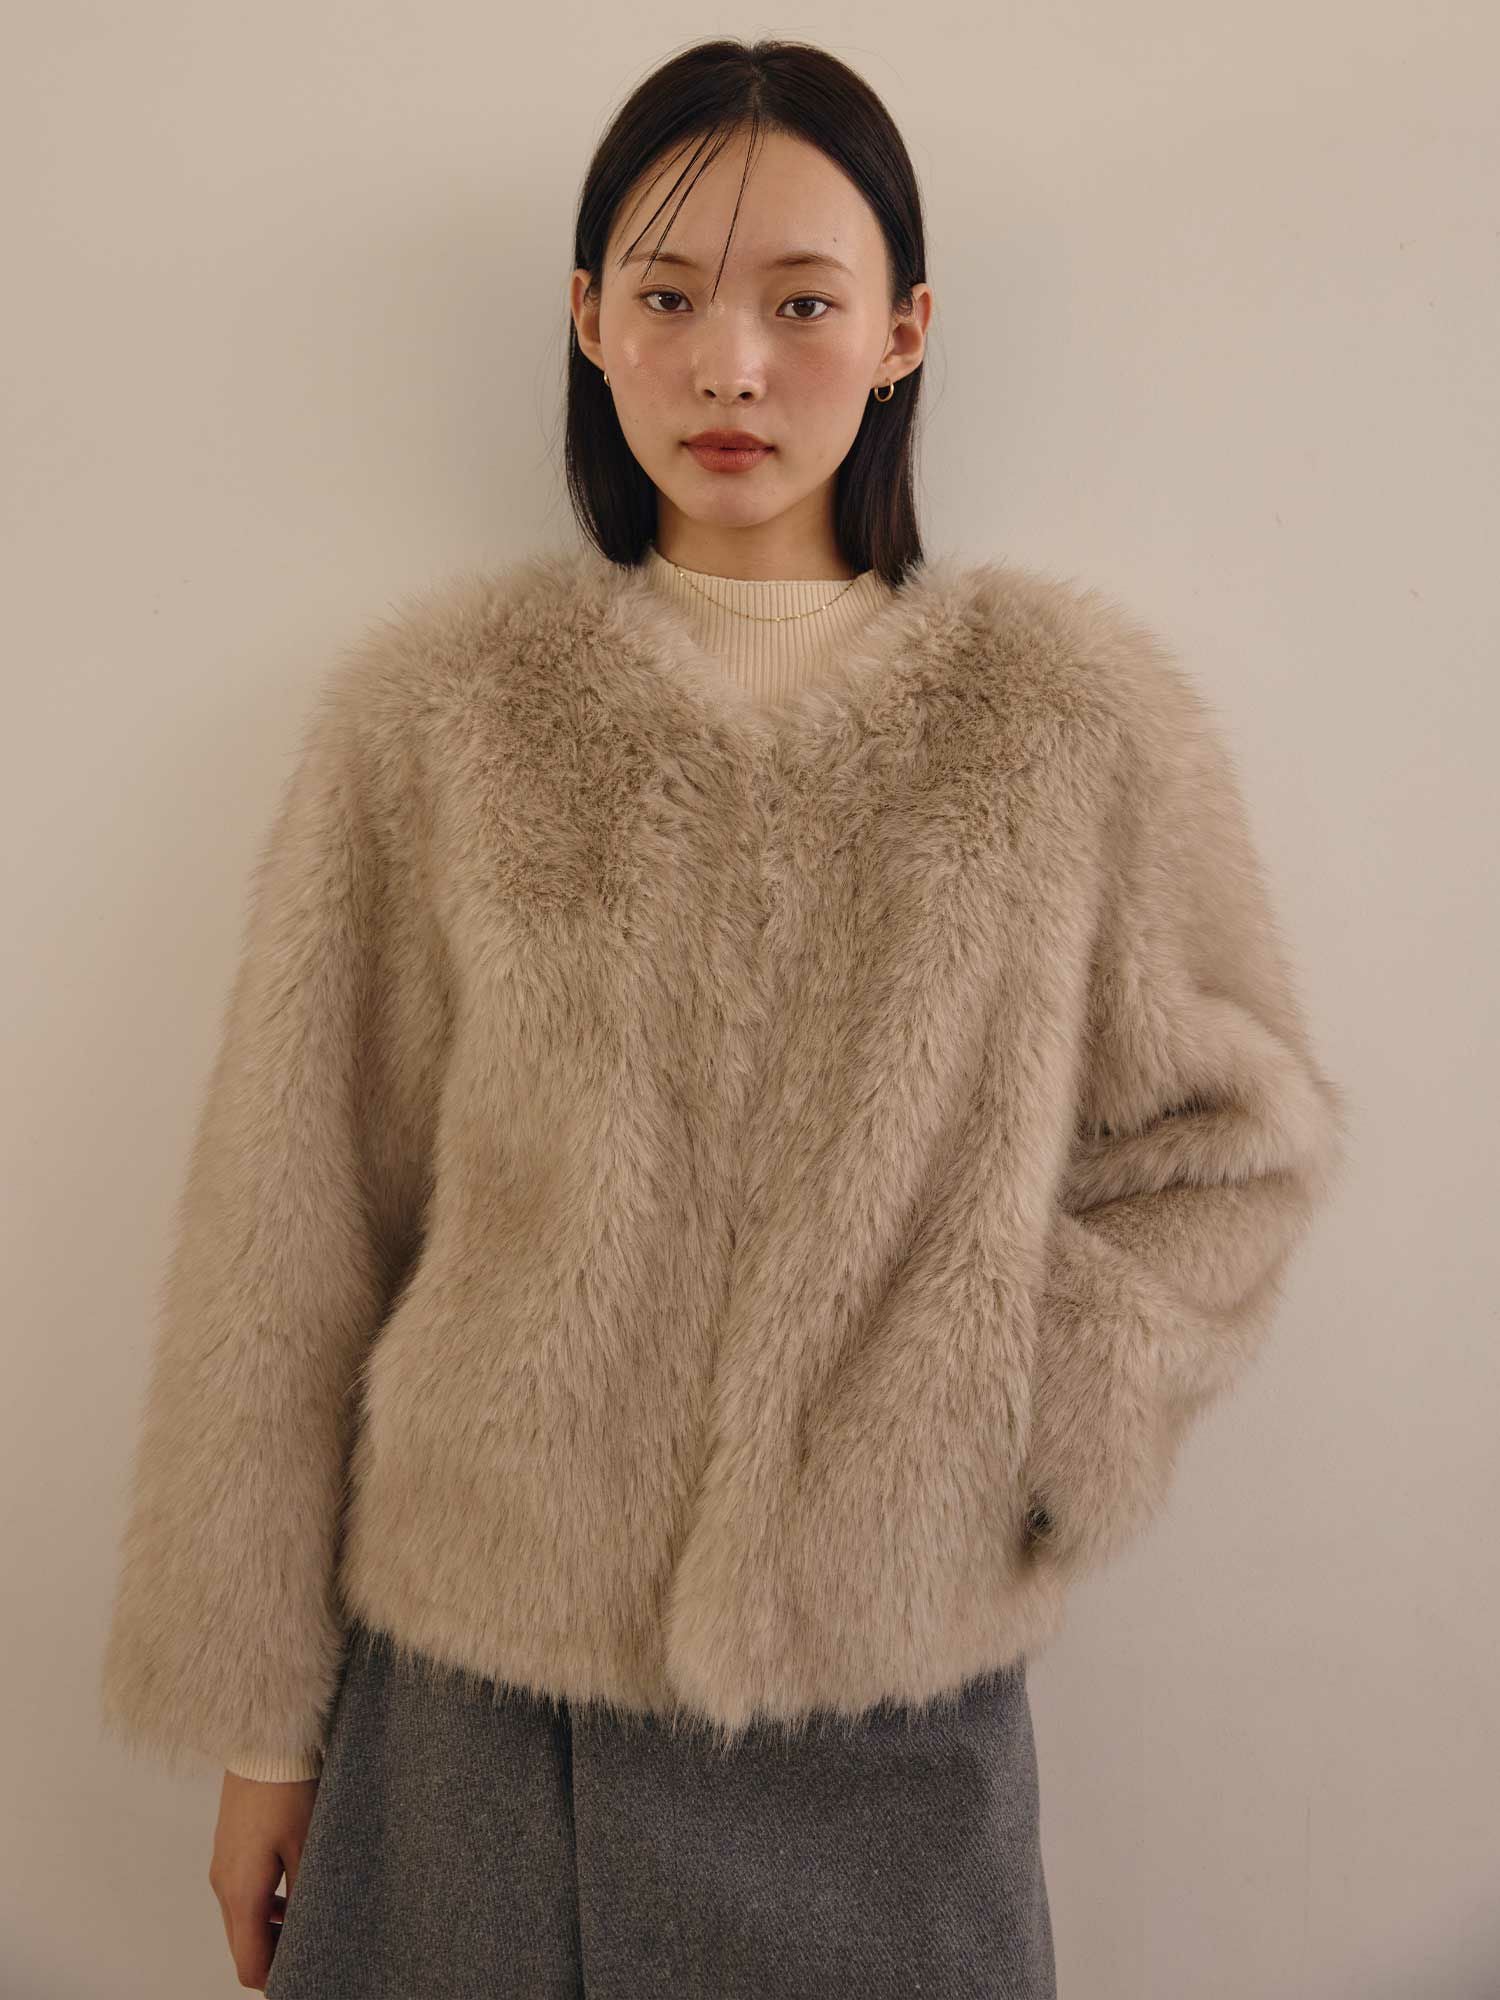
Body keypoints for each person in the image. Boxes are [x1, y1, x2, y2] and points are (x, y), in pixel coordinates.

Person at [98, 36, 1349, 2000]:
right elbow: (291, 1237)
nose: (733, 366)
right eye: (670, 297)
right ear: (589, 320)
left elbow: (1237, 1146)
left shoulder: (1063, 727)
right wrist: (263, 1726)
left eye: (803, 303)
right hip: (480, 1731)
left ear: (906, 328)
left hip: (891, 1727)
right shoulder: (441, 727)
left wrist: (1007, 1396)